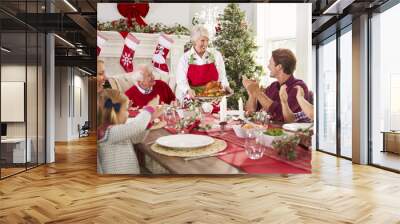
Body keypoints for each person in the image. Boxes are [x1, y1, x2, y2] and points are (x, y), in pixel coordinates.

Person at [97, 89, 163, 174]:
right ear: (114, 113)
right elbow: (137, 126)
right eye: (126, 110)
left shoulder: (117, 129)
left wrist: (150, 119)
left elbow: (137, 138)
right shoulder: (108, 133)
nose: (128, 114)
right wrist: (149, 109)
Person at [243, 48, 310, 123]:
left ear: (279, 67)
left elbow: (281, 116)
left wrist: (257, 92)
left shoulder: (299, 87)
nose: (268, 66)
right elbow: (251, 111)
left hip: (291, 133)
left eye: (270, 63)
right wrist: (252, 92)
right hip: (269, 132)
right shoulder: (273, 86)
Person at [176, 25, 232, 100]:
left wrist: (226, 87)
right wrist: (188, 90)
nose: (205, 44)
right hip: (193, 98)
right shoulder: (185, 58)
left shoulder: (215, 55)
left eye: (207, 40)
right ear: (194, 41)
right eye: (202, 40)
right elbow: (181, 80)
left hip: (213, 97)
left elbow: (222, 76)